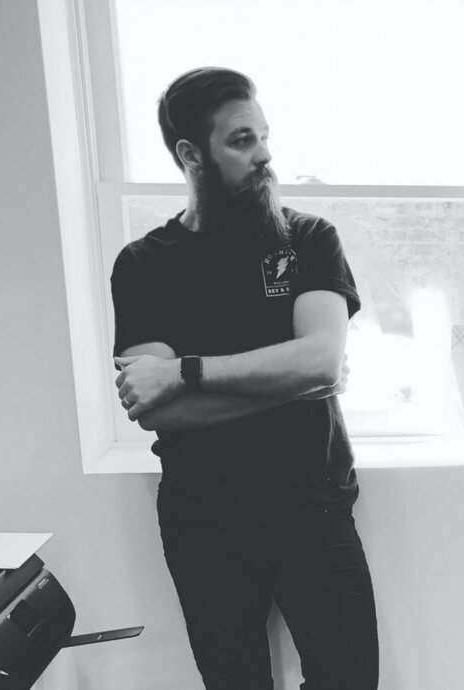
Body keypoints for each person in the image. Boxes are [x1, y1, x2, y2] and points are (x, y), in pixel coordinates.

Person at [110, 67, 378, 690]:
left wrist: (185, 372)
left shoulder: (308, 238)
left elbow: (320, 360)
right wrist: (294, 380)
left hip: (314, 510)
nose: (264, 155)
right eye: (240, 140)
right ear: (190, 154)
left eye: (263, 136)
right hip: (204, 523)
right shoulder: (144, 265)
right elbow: (158, 412)